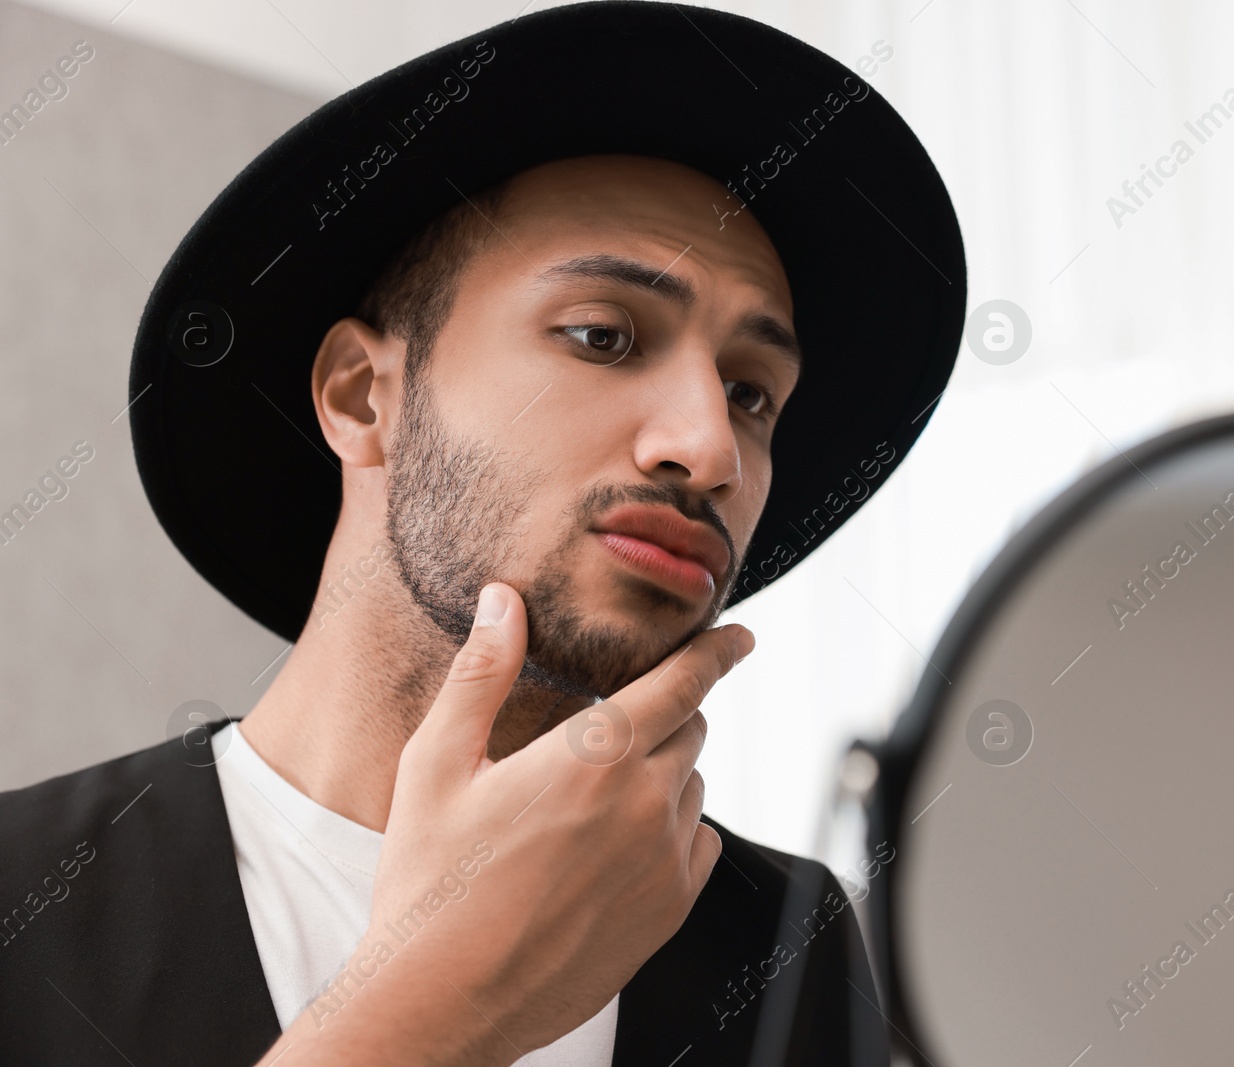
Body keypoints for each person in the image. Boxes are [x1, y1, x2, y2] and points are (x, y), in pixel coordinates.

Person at [0, 4, 965, 1065]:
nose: (708, 447)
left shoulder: (789, 945)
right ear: (363, 396)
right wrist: (423, 1013)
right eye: (603, 335)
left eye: (751, 393)